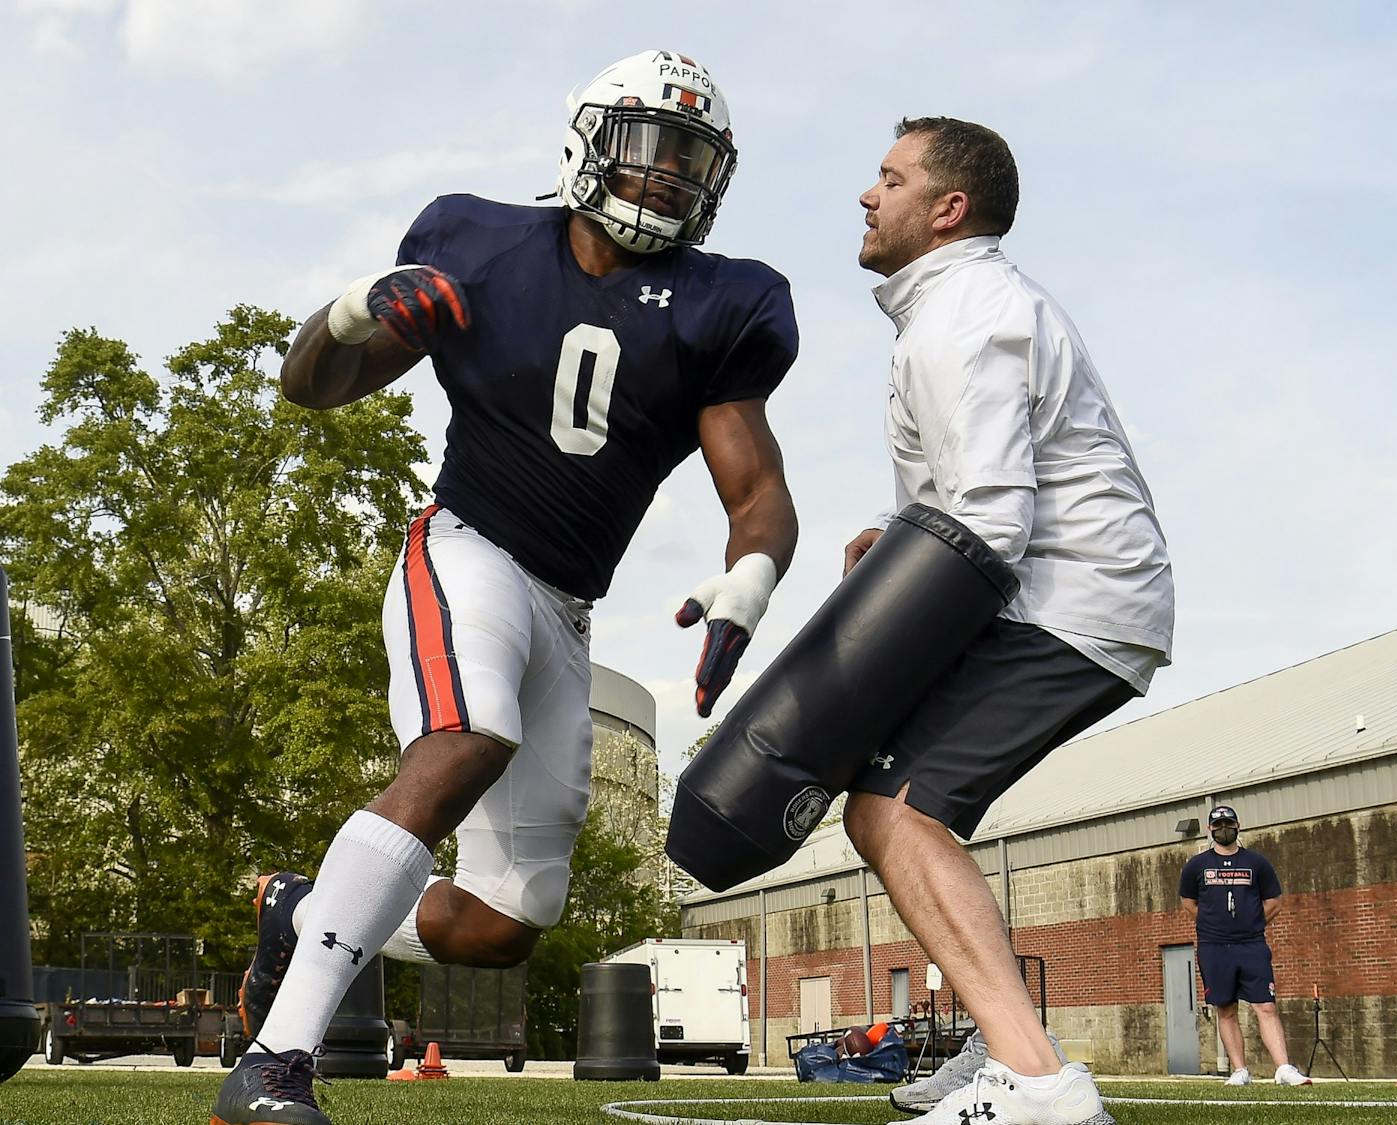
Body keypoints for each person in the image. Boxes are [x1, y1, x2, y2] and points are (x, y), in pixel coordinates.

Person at [211, 50, 798, 1125]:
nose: (666, 174)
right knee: (463, 740)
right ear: (587, 139)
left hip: (570, 607)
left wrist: (747, 584)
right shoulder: (477, 245)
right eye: (649, 145)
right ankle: (273, 1062)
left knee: (502, 923)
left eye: (690, 158)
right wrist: (348, 312)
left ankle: (301, 909)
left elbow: (756, 491)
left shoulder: (725, 304)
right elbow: (313, 389)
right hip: (469, 546)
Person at [842, 118, 1174, 1125]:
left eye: (890, 179)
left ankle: (1036, 1083)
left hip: (1069, 603)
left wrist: (893, 608)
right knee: (901, 805)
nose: (868, 195)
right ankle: (1001, 1041)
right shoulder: (950, 310)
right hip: (1058, 595)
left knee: (892, 811)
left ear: (947, 209)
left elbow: (989, 516)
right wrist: (894, 542)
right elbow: (962, 502)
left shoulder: (964, 315)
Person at [1179, 805, 1310, 1087]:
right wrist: (1214, 923)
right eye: (1218, 825)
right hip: (1214, 947)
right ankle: (1239, 1070)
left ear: (1238, 826)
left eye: (1228, 823)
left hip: (1251, 945)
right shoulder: (1197, 865)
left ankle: (1284, 1069)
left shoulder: (1257, 863)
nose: (1223, 828)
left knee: (1266, 1006)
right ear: (1209, 830)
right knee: (1226, 1008)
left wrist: (1252, 923)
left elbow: (1274, 901)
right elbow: (1188, 903)